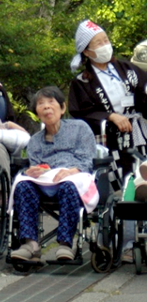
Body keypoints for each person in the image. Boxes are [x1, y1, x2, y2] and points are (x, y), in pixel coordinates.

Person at [67, 19, 147, 262]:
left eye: (105, 40)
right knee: (121, 188)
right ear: (86, 51)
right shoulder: (83, 81)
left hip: (140, 131)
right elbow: (80, 112)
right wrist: (110, 115)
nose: (104, 46)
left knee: (141, 179)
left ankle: (137, 240)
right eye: (98, 43)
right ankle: (123, 244)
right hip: (108, 137)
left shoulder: (127, 69)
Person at [10, 86, 98, 261]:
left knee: (68, 185)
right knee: (23, 185)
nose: (47, 107)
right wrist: (32, 171)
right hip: (46, 182)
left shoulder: (80, 128)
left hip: (74, 177)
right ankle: (30, 244)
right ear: (37, 112)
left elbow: (88, 159)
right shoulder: (35, 141)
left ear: (62, 108)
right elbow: (36, 165)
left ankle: (66, 244)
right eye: (41, 104)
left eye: (51, 102)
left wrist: (71, 171)